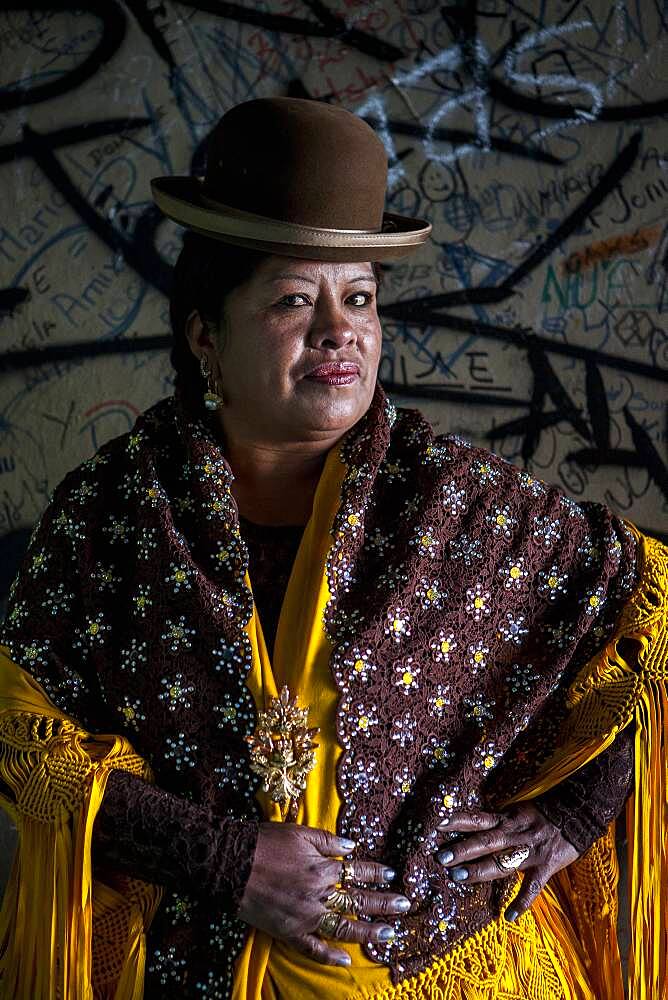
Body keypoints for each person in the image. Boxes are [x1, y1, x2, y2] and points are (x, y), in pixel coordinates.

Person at [0, 97, 665, 1000]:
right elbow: (21, 738)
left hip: (452, 974)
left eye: (358, 297)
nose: (338, 331)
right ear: (205, 334)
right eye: (291, 300)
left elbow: (655, 623)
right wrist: (225, 858)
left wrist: (576, 813)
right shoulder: (115, 517)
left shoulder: (463, 508)